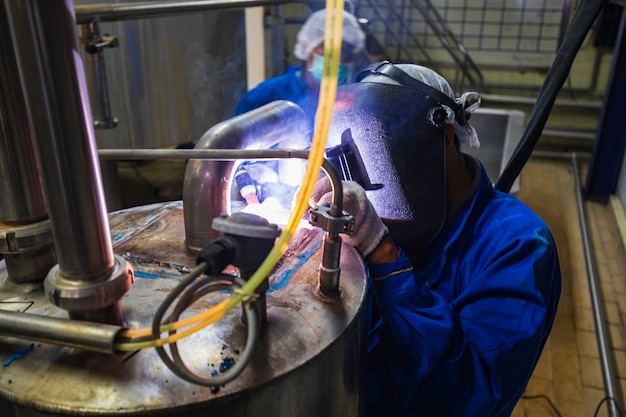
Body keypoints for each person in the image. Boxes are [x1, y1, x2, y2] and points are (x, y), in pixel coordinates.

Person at [310, 61, 562, 416]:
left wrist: (383, 256)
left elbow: (469, 396)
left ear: (443, 136)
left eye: (377, 147)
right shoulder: (385, 210)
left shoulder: (520, 246)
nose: (366, 175)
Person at [234, 8, 367, 126]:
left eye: (347, 51)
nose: (340, 60)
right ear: (307, 48)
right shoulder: (263, 98)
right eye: (330, 51)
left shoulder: (352, 103)